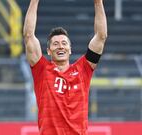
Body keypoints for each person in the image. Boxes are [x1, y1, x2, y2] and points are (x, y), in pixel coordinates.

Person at [23, 0, 107, 134]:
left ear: (70, 49)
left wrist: (98, 2)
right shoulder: (42, 70)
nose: (60, 46)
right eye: (55, 44)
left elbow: (101, 37)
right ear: (49, 51)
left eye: (64, 43)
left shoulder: (83, 69)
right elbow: (28, 36)